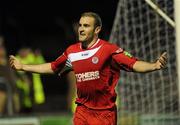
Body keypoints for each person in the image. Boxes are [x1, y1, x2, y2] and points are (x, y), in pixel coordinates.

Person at [9, 12, 167, 125]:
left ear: (97, 30)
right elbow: (53, 67)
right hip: (82, 111)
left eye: (86, 25)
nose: (81, 29)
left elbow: (133, 64)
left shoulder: (109, 50)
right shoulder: (72, 51)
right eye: (80, 25)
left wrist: (154, 65)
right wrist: (23, 66)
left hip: (104, 114)